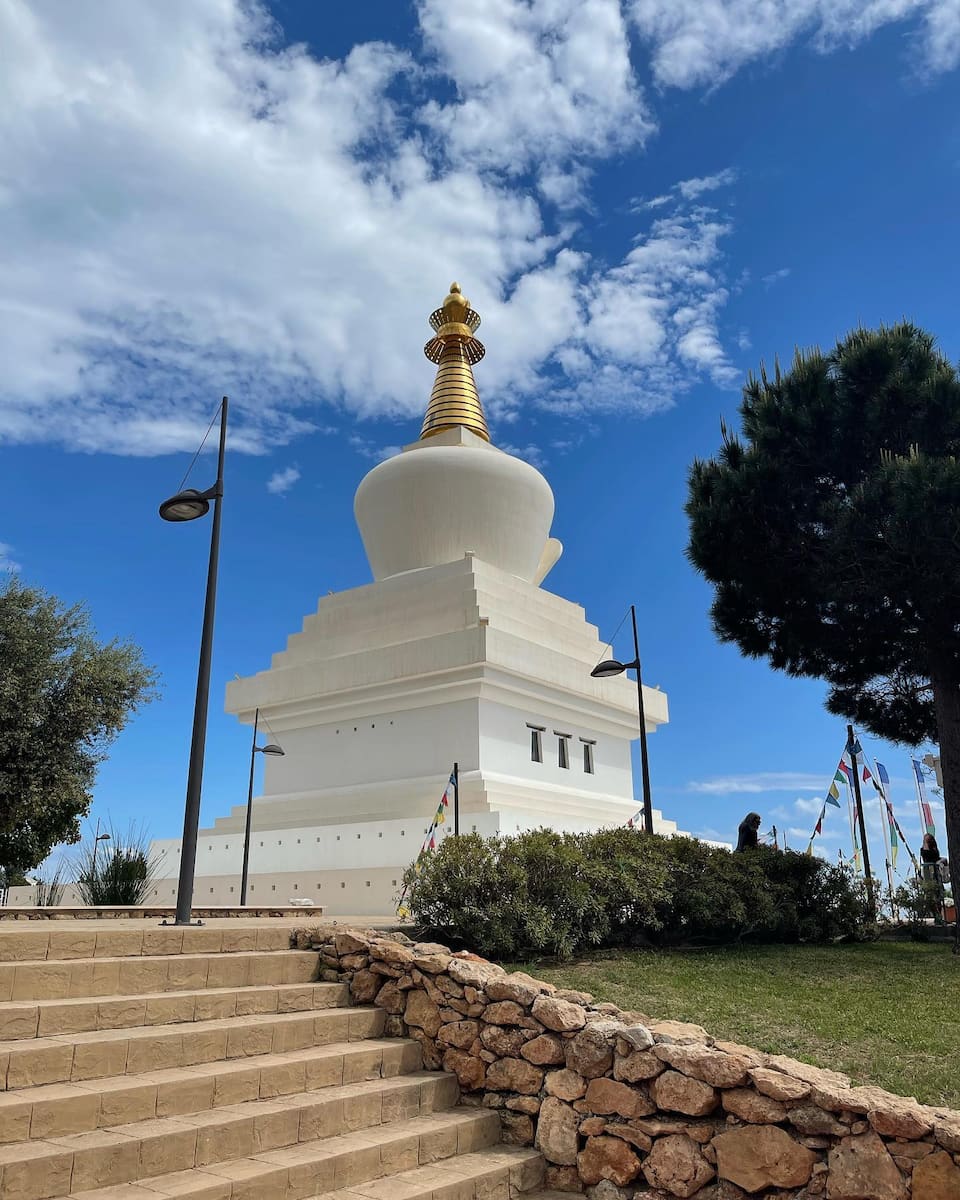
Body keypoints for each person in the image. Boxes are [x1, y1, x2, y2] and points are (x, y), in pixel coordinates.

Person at [920, 833, 945, 922]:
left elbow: (934, 857)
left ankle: (939, 915)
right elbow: (925, 855)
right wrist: (925, 844)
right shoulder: (923, 850)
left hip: (934, 872)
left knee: (937, 894)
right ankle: (935, 915)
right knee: (930, 894)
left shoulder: (934, 850)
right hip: (928, 873)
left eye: (926, 839)